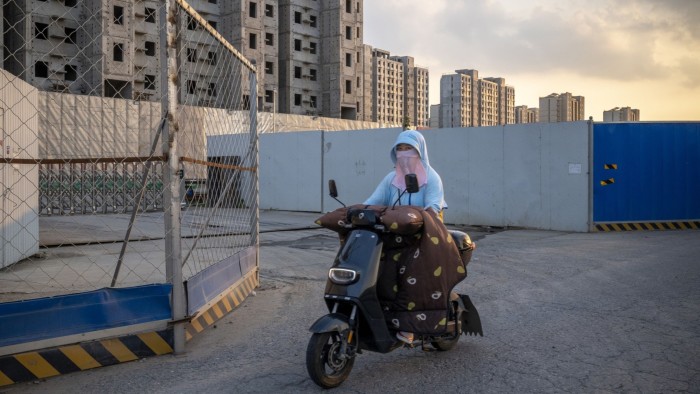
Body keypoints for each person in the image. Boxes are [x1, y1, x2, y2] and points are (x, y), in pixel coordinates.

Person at [364, 129, 446, 344]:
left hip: (421, 237)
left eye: (408, 148)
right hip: (391, 236)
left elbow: (434, 208)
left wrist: (418, 218)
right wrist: (358, 211)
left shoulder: (431, 178)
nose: (404, 153)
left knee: (411, 274)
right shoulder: (391, 178)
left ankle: (410, 326)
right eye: (399, 149)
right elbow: (372, 200)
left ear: (420, 151)